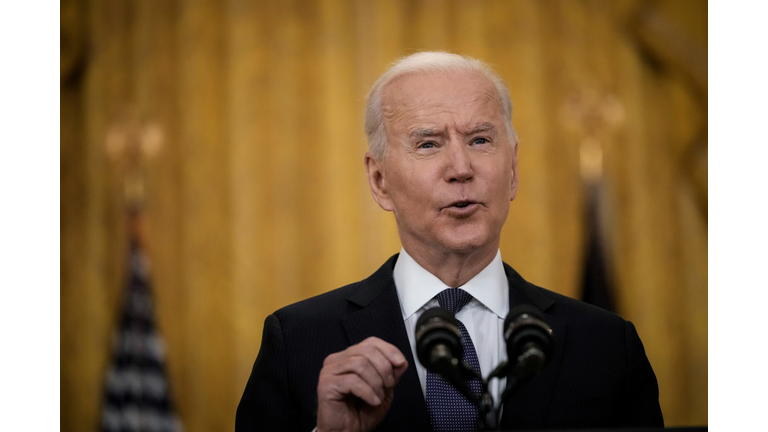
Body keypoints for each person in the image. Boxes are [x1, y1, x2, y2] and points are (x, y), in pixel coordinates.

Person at [235, 52, 663, 431]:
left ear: (512, 170)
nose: (460, 168)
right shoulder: (298, 342)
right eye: (428, 144)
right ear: (379, 180)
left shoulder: (606, 344)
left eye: (480, 140)